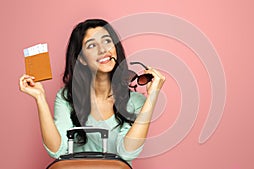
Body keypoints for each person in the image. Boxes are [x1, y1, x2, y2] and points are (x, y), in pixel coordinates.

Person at [19, 19, 165, 165]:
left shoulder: (135, 102)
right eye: (92, 45)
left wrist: (152, 97)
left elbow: (127, 152)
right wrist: (40, 98)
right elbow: (57, 150)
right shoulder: (66, 98)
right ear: (82, 59)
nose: (103, 50)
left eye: (107, 41)